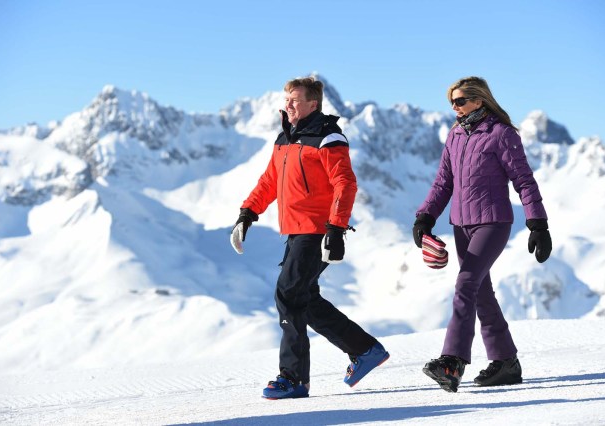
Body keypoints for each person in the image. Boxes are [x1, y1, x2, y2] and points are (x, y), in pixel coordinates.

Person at [231, 76, 389, 400]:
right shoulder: (285, 138)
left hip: (316, 230)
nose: (287, 105)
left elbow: (345, 184)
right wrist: (247, 213)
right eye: (286, 99)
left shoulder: (327, 137)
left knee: (288, 294)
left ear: (312, 104)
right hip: (295, 230)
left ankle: (293, 379)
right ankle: (365, 350)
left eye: (294, 100)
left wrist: (335, 229)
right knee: (305, 300)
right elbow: (269, 181)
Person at [413, 76, 552, 393]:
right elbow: (443, 184)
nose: (455, 107)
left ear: (480, 100)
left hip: (492, 222)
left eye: (460, 101)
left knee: (466, 284)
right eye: (452, 102)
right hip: (461, 224)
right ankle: (506, 362)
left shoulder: (501, 134)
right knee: (481, 293)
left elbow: (524, 182)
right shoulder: (455, 137)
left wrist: (538, 223)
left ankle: (452, 362)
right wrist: (425, 217)